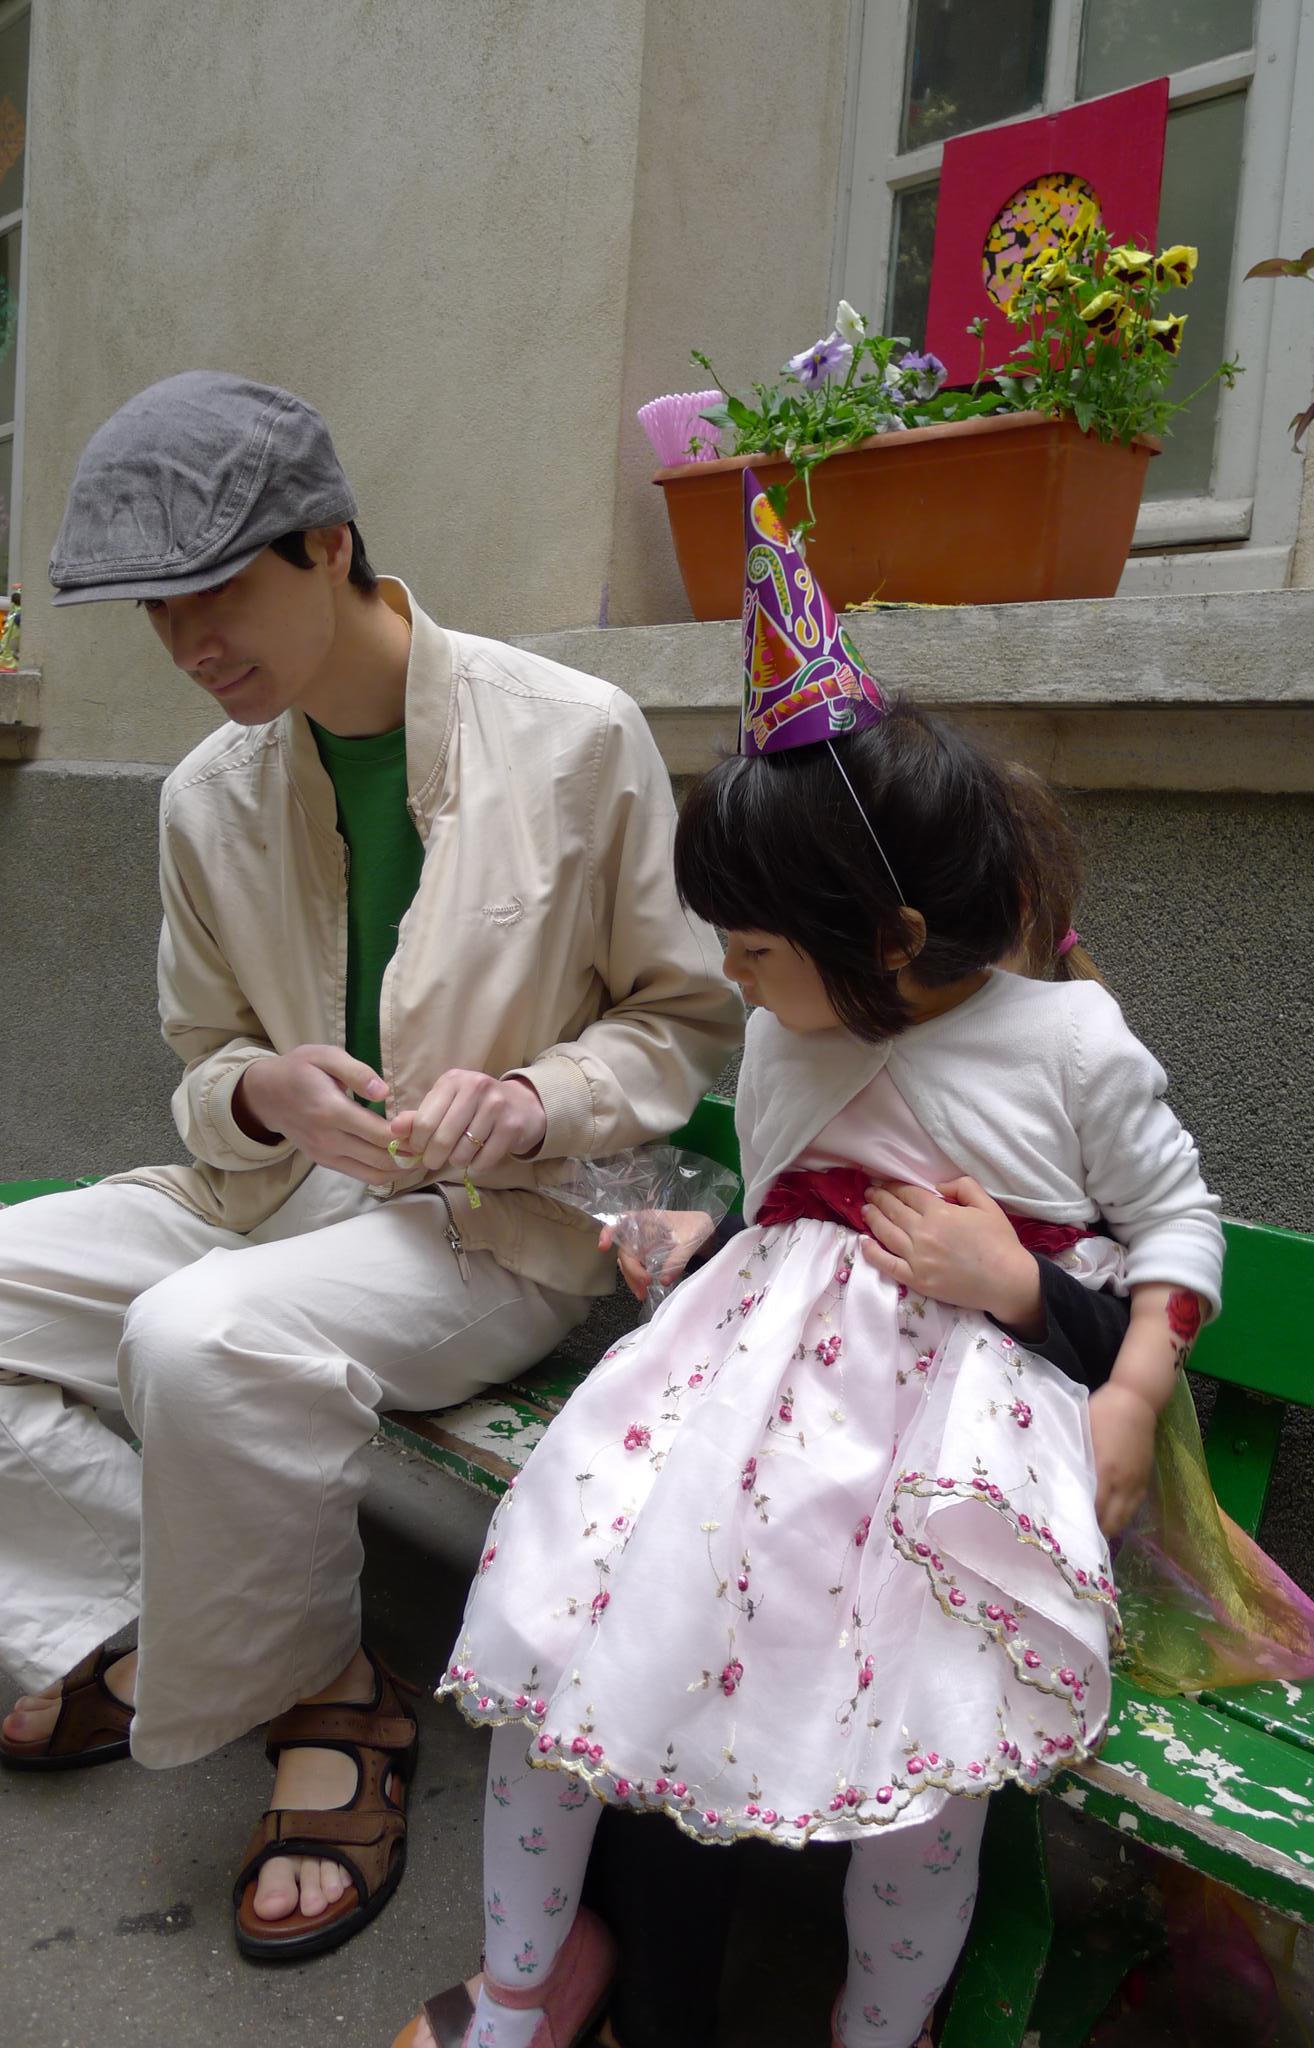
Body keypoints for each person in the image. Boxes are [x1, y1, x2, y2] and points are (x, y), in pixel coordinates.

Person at [392, 473, 1232, 2048]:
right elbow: (797, 1224)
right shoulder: (792, 1035)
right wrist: (714, 1243)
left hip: (937, 1468)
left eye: (755, 949)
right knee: (568, 1633)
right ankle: (522, 1987)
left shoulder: (1067, 1042)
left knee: (932, 1755)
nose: (731, 977)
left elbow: (1181, 1223)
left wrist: (1125, 1383)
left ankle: (878, 2026)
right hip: (737, 1441)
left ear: (892, 939)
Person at [0, 371, 742, 1961]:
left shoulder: (574, 739)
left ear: (327, 542)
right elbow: (203, 1063)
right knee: (132, 1307)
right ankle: (220, 1642)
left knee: (199, 1341)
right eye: (156, 610)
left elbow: (685, 1023)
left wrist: (536, 1098)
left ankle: (320, 1703)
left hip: (488, 1229)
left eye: (215, 590)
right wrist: (263, 1093)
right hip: (261, 1201)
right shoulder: (206, 797)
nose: (188, 642)